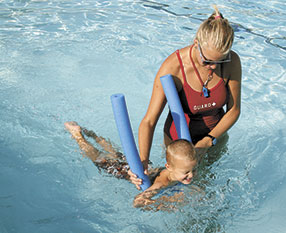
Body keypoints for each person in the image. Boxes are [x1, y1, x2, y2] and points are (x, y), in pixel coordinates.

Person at [129, 5, 241, 187]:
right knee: (175, 189)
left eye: (220, 61)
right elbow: (149, 121)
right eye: (208, 61)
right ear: (196, 43)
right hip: (179, 143)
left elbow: (234, 110)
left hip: (214, 138)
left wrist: (208, 141)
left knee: (207, 188)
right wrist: (143, 160)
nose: (213, 67)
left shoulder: (233, 61)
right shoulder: (173, 67)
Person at [64, 121, 197, 210]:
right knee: (99, 159)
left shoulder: (177, 170)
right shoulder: (162, 183)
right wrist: (165, 204)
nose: (191, 175)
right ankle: (78, 136)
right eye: (186, 172)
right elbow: (138, 202)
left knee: (115, 153)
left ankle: (90, 134)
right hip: (123, 172)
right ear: (169, 167)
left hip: (137, 167)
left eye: (193, 170)